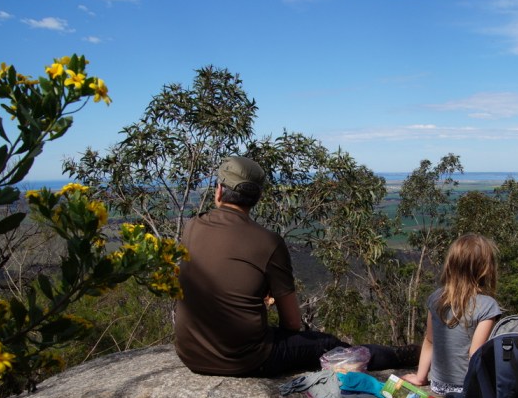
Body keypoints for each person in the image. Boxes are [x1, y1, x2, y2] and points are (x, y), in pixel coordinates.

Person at [174, 155, 416, 377]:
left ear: (218, 192)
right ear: (257, 198)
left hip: (189, 354)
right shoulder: (268, 242)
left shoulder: (191, 227)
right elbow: (291, 323)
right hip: (245, 360)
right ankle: (401, 356)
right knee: (328, 346)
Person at [402, 234, 502, 395]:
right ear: (486, 269)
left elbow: (429, 340)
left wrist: (420, 378)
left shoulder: (436, 298)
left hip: (437, 385)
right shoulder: (488, 306)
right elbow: (475, 355)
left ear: (451, 264)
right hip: (465, 387)